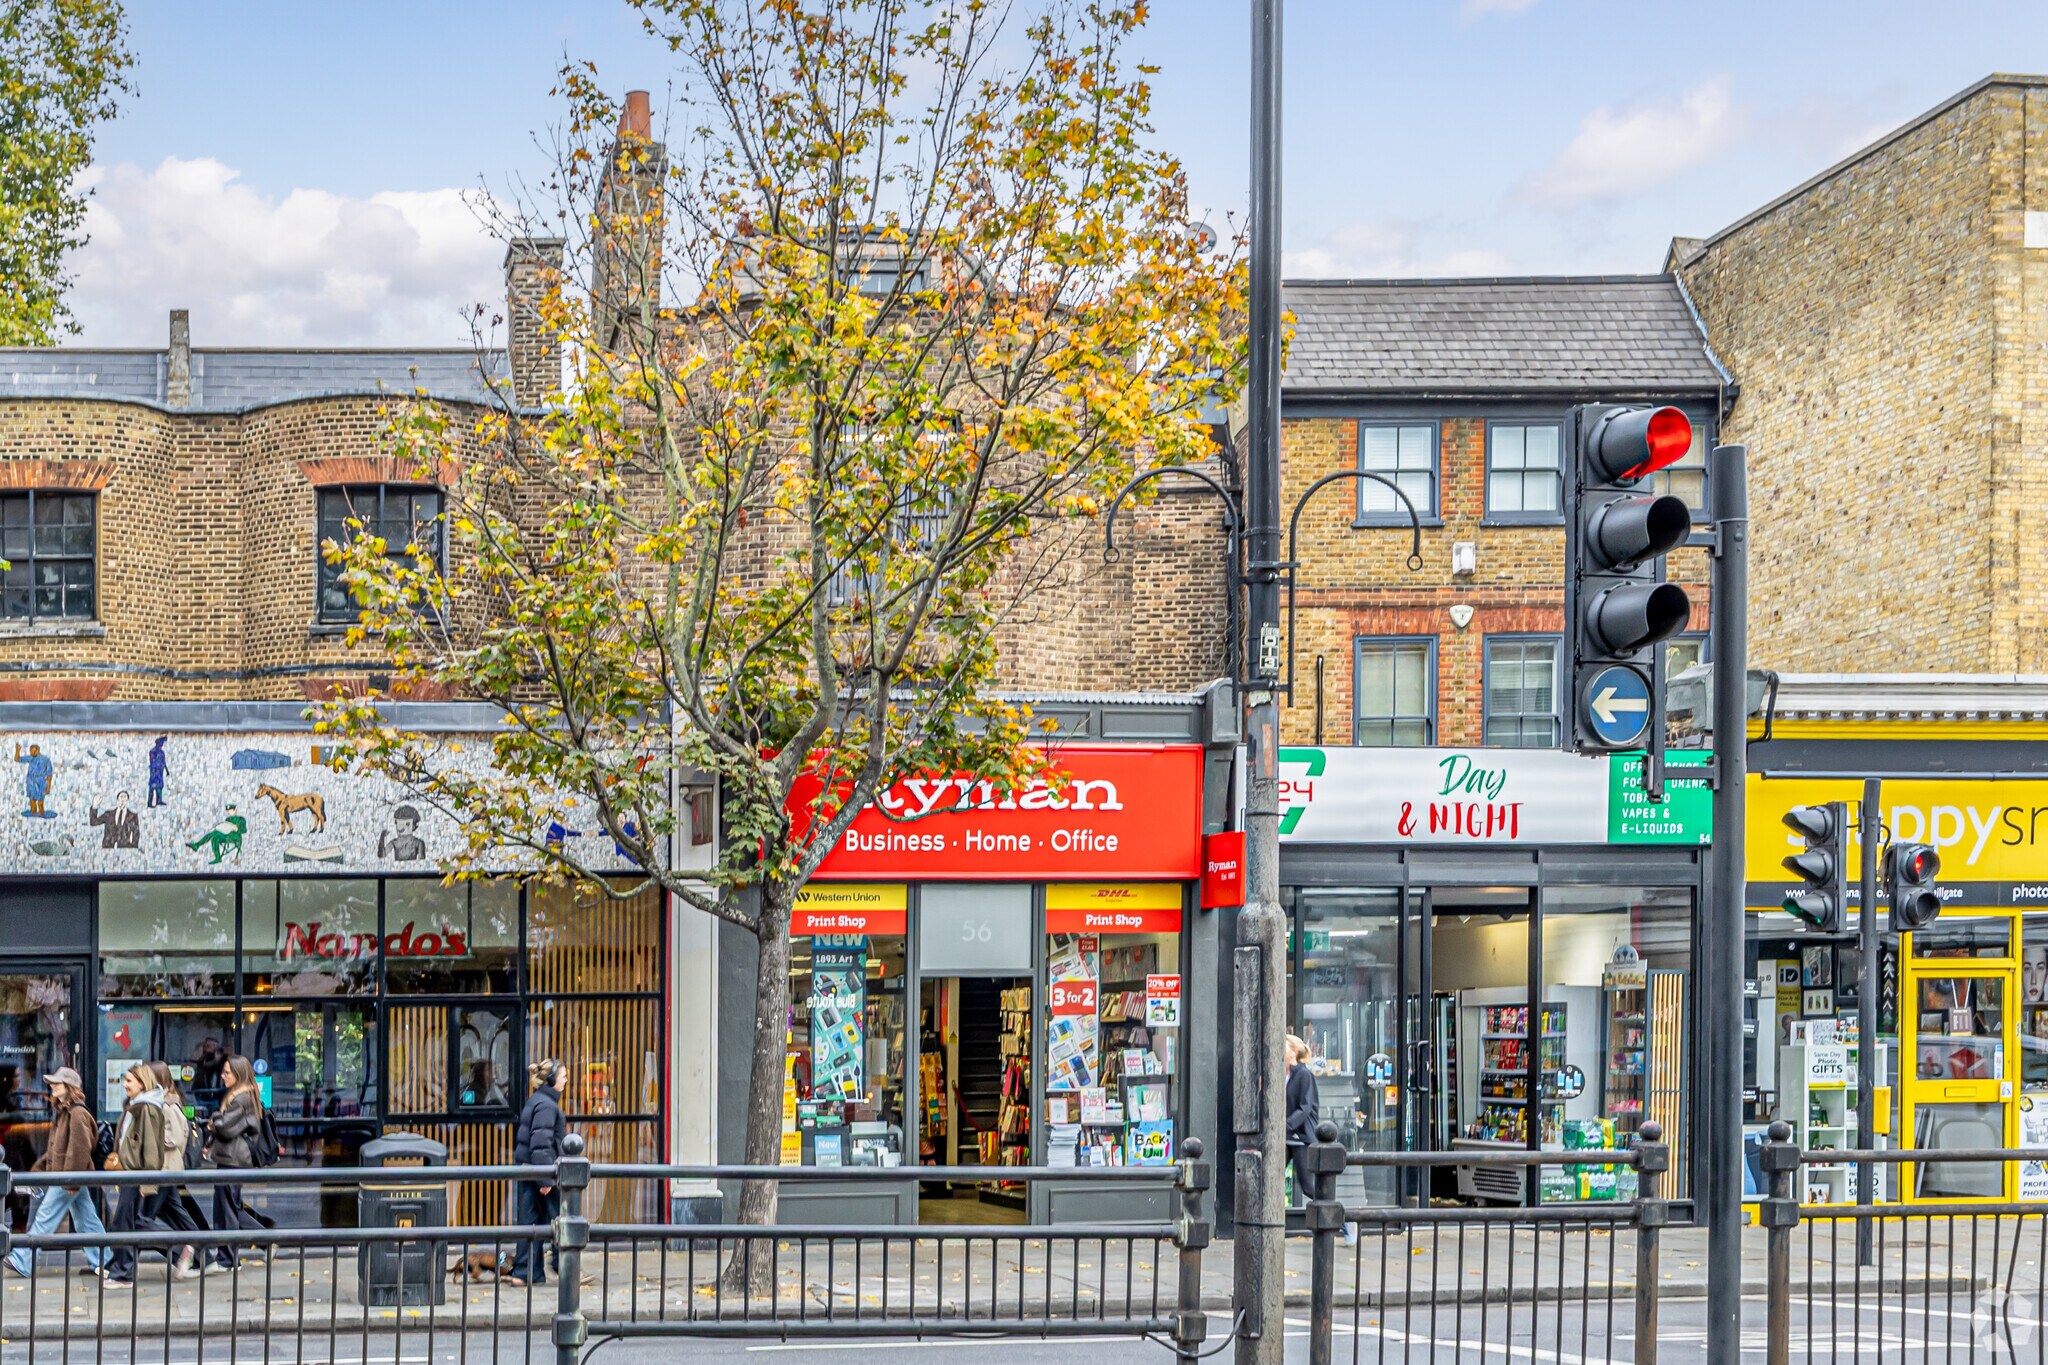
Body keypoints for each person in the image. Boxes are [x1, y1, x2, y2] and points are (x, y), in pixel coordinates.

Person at [3, 1068, 106, 1279]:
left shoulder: (76, 1113)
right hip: (68, 1176)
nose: (52, 1086)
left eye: (57, 1083)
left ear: (69, 1087)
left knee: (45, 1218)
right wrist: (40, 1170)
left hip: (68, 1177)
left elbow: (79, 1150)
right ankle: (105, 1261)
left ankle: (23, 1260)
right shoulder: (65, 1112)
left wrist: (70, 1181)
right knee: (87, 1220)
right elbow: (55, 1151)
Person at [102, 1063, 168, 1287]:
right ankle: (120, 1268)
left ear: (142, 1083)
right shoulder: (135, 1105)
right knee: (127, 1221)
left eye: (129, 1081)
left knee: (124, 1222)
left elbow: (150, 1147)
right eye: (124, 1080)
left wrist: (147, 1182)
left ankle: (124, 1273)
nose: (124, 1085)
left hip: (137, 1174)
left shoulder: (146, 1108)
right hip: (130, 1173)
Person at [205, 1054, 274, 1267]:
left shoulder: (241, 1097)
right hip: (231, 1157)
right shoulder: (241, 1095)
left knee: (227, 1208)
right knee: (229, 1207)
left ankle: (228, 1258)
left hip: (233, 1159)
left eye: (227, 1072)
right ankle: (263, 1241)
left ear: (238, 1074)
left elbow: (224, 1126)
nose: (222, 1076)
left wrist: (214, 1118)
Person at [147, 1060, 209, 1279]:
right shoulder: (162, 1103)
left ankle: (180, 1253)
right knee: (177, 1213)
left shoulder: (168, 1105)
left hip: (165, 1169)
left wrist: (147, 1139)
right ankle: (205, 1256)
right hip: (166, 1170)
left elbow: (172, 1138)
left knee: (142, 1219)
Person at [508, 1058, 567, 1286]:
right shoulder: (546, 1106)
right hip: (543, 1172)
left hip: (530, 1171)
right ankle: (564, 1266)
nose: (566, 1081)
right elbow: (541, 1144)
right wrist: (545, 1179)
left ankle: (526, 1272)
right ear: (552, 1080)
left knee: (530, 1221)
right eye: (563, 1077)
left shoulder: (538, 1101)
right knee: (560, 1219)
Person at [1284, 1034, 1320, 1209]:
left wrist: (1286, 1125)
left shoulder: (1304, 1075)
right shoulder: (1283, 1076)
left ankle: (1345, 1221)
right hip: (1285, 1138)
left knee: (1308, 1187)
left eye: (1283, 1046)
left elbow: (1305, 1108)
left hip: (1301, 1138)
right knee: (1269, 1179)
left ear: (1293, 1052)